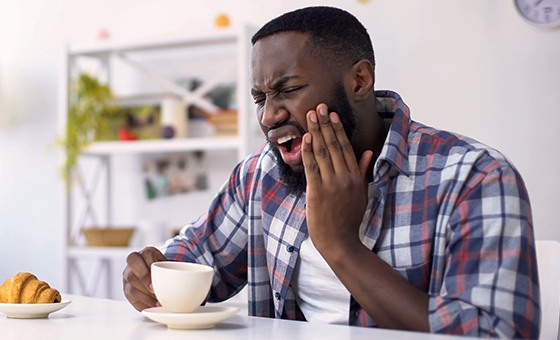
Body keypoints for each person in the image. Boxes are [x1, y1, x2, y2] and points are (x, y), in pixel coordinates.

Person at [123, 6, 540, 337]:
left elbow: (494, 332)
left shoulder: (475, 178)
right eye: (259, 97)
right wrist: (150, 274)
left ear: (360, 80)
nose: (269, 116)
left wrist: (341, 245)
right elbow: (194, 262)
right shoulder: (261, 175)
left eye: (287, 90)